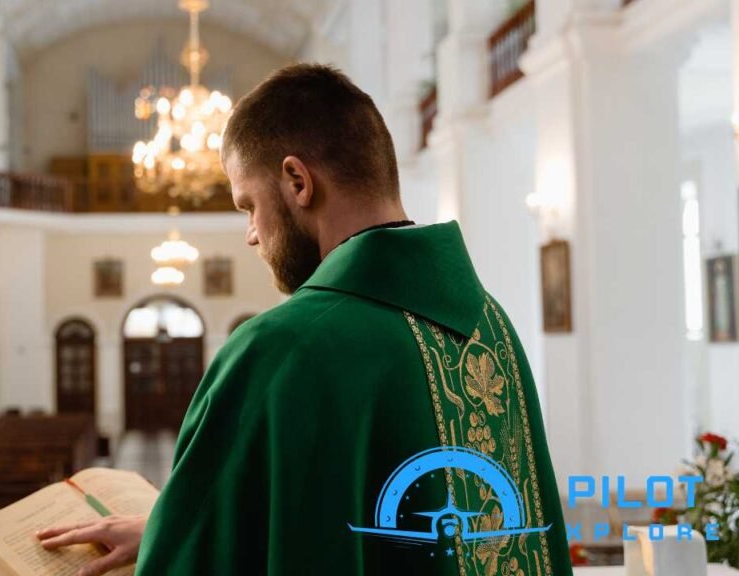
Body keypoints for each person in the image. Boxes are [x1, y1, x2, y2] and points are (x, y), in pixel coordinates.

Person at [36, 64, 572, 575]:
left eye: (248, 206)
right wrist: (164, 526)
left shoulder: (280, 348)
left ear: (297, 182)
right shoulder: (490, 327)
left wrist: (173, 541)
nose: (250, 234)